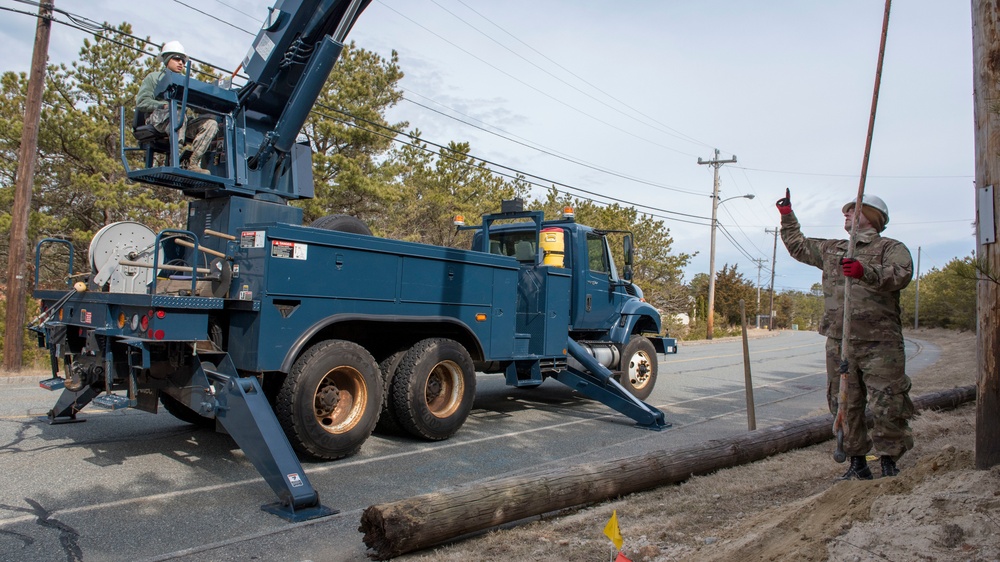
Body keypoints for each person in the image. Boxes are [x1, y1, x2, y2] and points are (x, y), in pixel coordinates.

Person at [776, 189, 914, 480]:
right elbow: (799, 246)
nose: (846, 214)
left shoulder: (890, 247)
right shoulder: (833, 249)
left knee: (887, 403)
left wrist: (865, 271)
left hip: (881, 343)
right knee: (845, 403)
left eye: (854, 209)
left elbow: (900, 274)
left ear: (873, 217)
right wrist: (788, 216)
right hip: (841, 341)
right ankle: (857, 462)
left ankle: (890, 462)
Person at [135, 41, 218, 174]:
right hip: (159, 118)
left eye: (183, 61)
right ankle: (176, 159)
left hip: (180, 120)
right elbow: (142, 102)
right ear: (167, 59)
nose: (181, 63)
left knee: (210, 123)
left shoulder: (185, 83)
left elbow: (196, 106)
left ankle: (193, 163)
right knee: (177, 113)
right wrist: (162, 105)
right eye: (177, 59)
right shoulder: (154, 78)